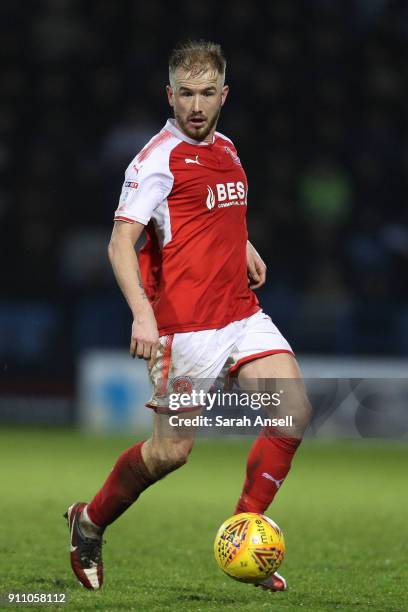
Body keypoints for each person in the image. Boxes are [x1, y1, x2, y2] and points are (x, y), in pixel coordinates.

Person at [65, 40, 311, 593]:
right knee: (171, 452)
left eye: (206, 94)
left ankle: (244, 534)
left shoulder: (227, 147)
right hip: (183, 327)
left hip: (240, 314)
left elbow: (210, 211)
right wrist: (142, 317)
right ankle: (90, 521)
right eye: (185, 95)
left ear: (223, 94)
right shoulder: (155, 158)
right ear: (169, 95)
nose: (195, 106)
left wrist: (243, 244)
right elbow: (119, 243)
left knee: (290, 412)